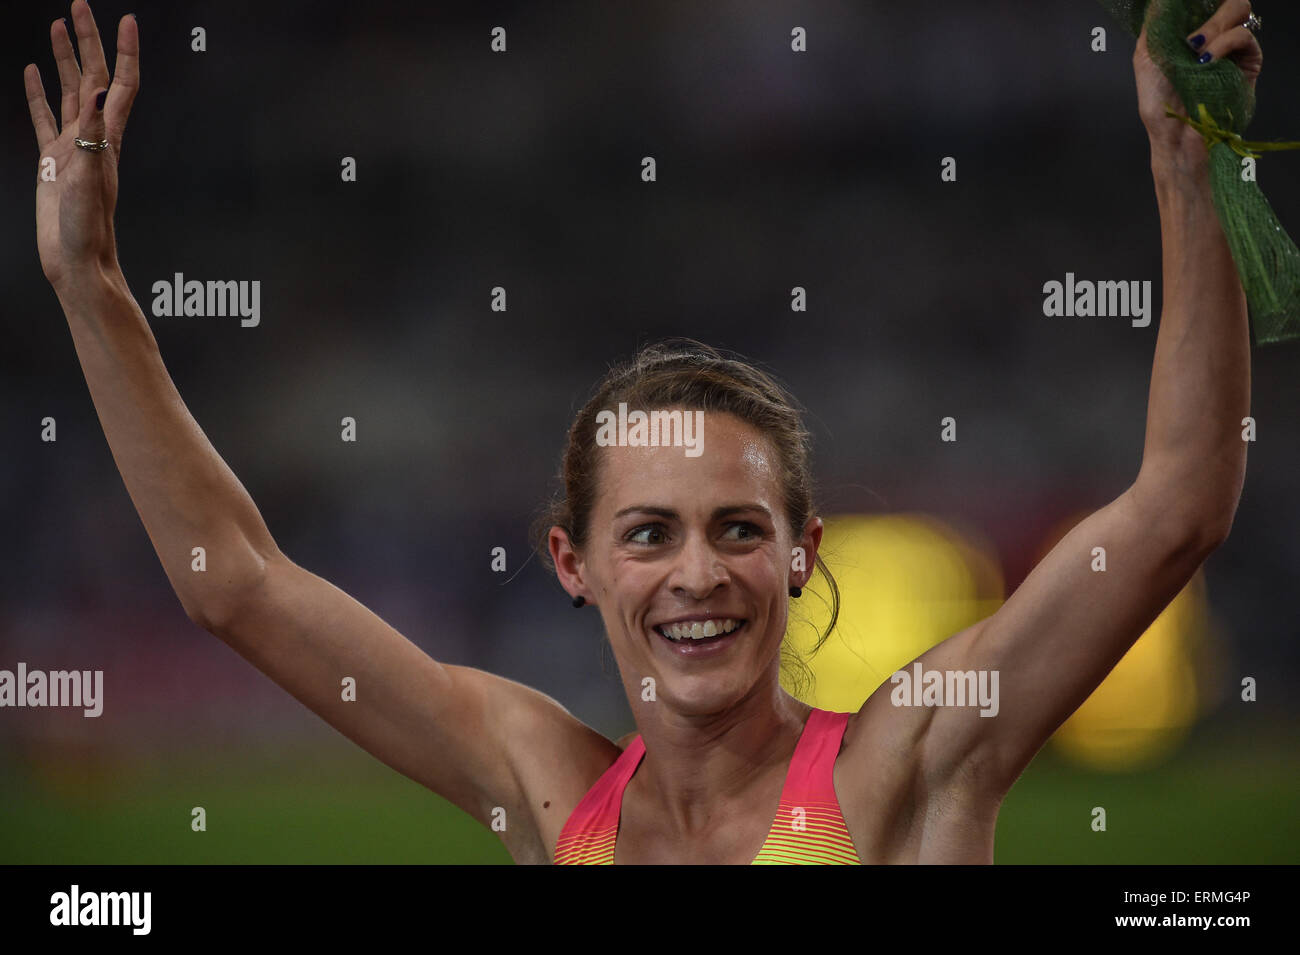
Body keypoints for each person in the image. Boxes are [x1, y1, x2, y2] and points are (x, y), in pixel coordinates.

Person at [23, 0, 1260, 863]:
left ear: (801, 552)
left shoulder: (911, 762)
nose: (697, 572)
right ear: (574, 561)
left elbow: (1180, 503)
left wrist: (1181, 158)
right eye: (650, 532)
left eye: (737, 528)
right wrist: (92, 285)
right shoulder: (546, 788)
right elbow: (232, 582)